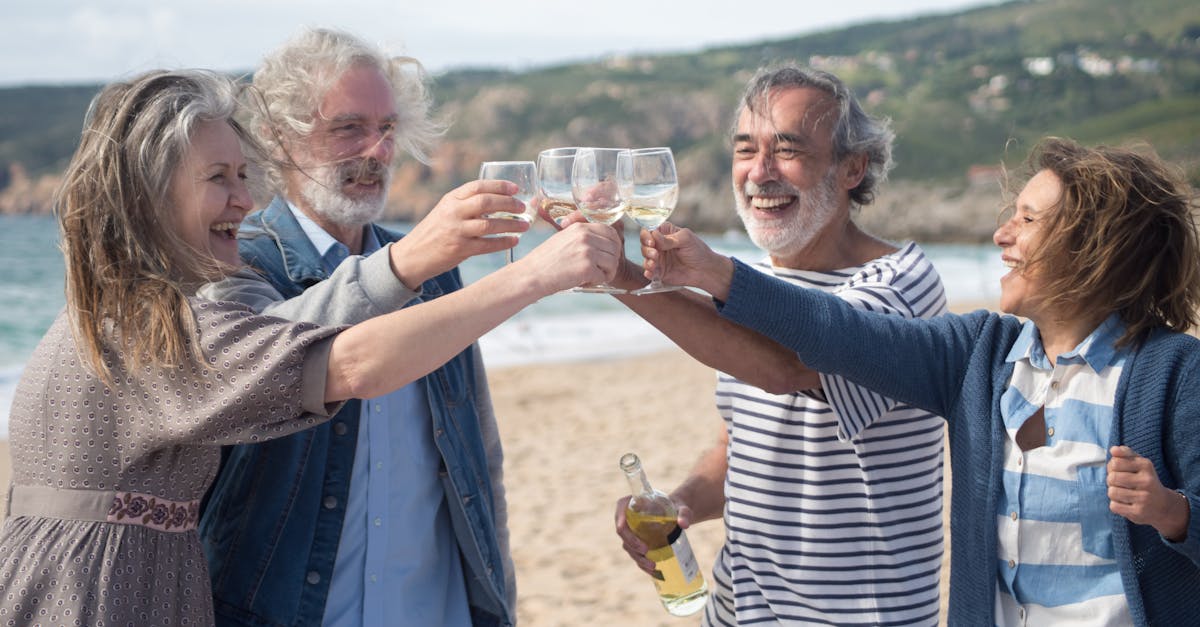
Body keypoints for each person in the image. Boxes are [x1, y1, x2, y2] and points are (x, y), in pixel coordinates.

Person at [0, 69, 619, 626]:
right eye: (218, 177)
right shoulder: (149, 326)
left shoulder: (130, 306)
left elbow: (474, 459)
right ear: (146, 195)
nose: (244, 199)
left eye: (242, 174)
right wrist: (530, 276)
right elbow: (342, 360)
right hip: (92, 600)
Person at [643, 136, 1200, 625]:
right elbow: (836, 332)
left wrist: (1171, 513)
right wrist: (715, 272)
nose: (1001, 233)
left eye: (1028, 220)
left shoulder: (1174, 371)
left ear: (1097, 248)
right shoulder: (978, 355)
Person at [194, 28, 542, 627]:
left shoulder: (434, 271)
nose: (378, 151)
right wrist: (416, 262)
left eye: (387, 130)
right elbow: (262, 368)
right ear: (279, 138)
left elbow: (478, 462)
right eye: (348, 128)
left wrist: (497, 605)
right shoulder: (237, 262)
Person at [604, 66, 950, 625]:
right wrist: (685, 501)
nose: (759, 173)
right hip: (738, 610)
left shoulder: (902, 283)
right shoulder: (760, 285)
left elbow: (790, 365)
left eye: (787, 150)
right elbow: (739, 441)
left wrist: (625, 275)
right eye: (746, 151)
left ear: (852, 168)